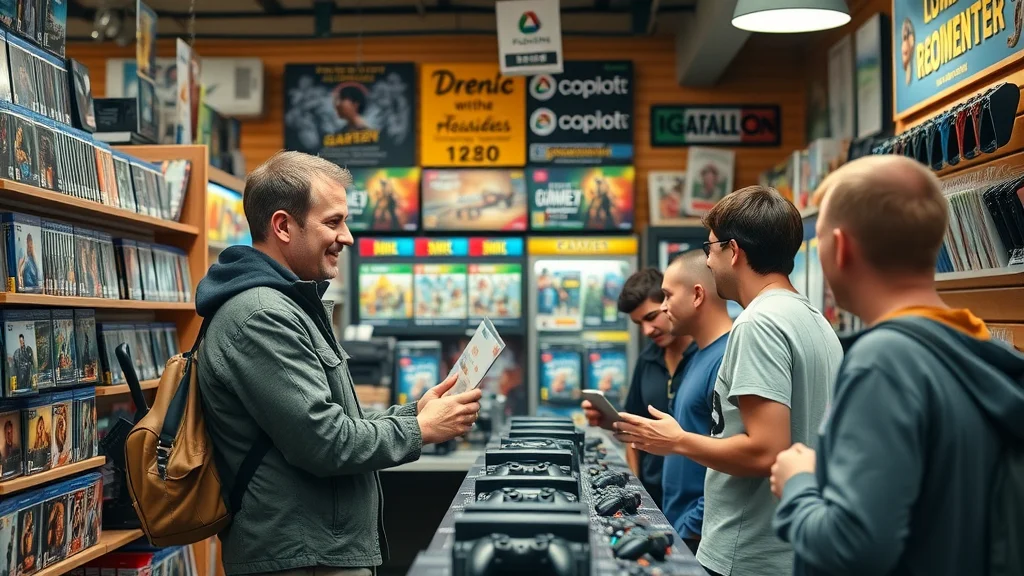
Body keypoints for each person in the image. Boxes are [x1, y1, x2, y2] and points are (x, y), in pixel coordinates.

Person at [195, 150, 482, 576]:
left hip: (314, 552)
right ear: (283, 226)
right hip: (301, 558)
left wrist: (411, 413)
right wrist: (419, 429)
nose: (347, 237)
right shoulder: (261, 315)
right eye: (333, 222)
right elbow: (324, 442)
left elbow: (329, 421)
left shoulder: (288, 304)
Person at [770, 155, 1024, 576]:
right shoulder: (976, 346)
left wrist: (799, 483)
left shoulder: (883, 362)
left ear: (843, 247)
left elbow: (853, 548)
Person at [614, 186, 842, 576]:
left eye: (710, 249)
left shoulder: (758, 324)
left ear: (733, 251)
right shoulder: (814, 319)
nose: (709, 259)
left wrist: (678, 441)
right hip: (792, 548)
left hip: (747, 553)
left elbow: (766, 451)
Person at [582, 268, 695, 508]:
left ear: (668, 303)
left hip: (695, 503)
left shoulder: (706, 357)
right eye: (638, 323)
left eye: (651, 317)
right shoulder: (647, 359)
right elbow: (633, 430)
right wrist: (636, 492)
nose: (646, 330)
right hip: (652, 496)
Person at [656, 250, 733, 554]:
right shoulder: (700, 356)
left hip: (697, 536)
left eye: (667, 295)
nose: (663, 307)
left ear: (697, 295)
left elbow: (732, 461)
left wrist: (691, 527)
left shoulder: (726, 358)